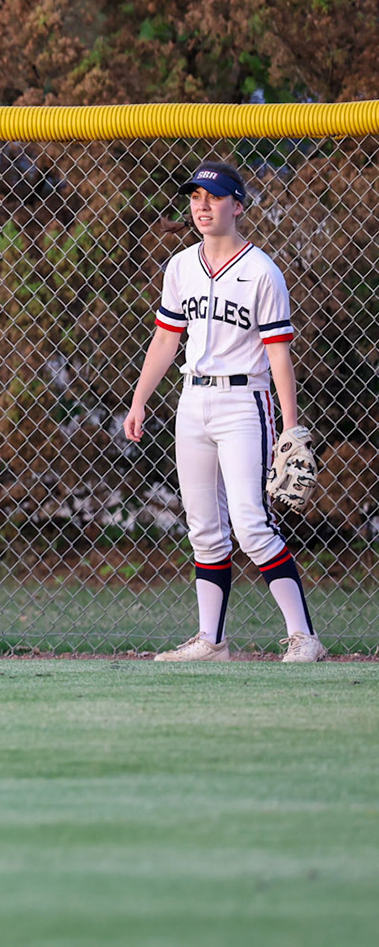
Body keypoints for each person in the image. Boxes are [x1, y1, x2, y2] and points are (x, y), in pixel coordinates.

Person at [124, 160, 326, 662]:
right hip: (192, 401)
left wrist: (291, 425)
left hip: (244, 402)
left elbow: (279, 353)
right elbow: (167, 338)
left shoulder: (262, 270)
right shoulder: (180, 266)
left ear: (238, 206)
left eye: (213, 198)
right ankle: (210, 641)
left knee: (252, 524)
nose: (202, 206)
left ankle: (305, 637)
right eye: (195, 198)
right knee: (204, 529)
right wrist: (140, 399)